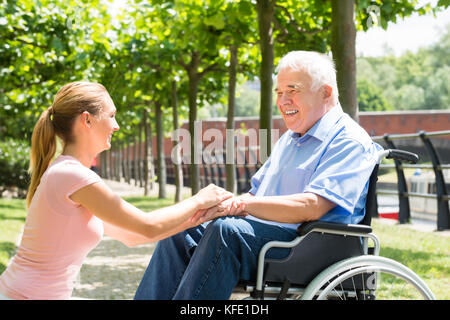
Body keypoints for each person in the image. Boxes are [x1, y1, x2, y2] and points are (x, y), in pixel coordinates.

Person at [134, 50, 383, 300]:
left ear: (325, 92)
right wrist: (219, 206)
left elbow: (312, 206)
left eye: (292, 90)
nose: (283, 101)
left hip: (310, 245)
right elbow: (255, 195)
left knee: (227, 232)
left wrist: (243, 205)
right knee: (183, 229)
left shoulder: (349, 140)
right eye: (278, 93)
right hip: (270, 238)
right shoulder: (289, 140)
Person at [0, 81, 241, 300]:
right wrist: (199, 199)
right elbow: (147, 225)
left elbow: (133, 236)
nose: (116, 126)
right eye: (112, 115)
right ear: (87, 120)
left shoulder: (70, 174)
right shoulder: (72, 176)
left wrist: (202, 217)